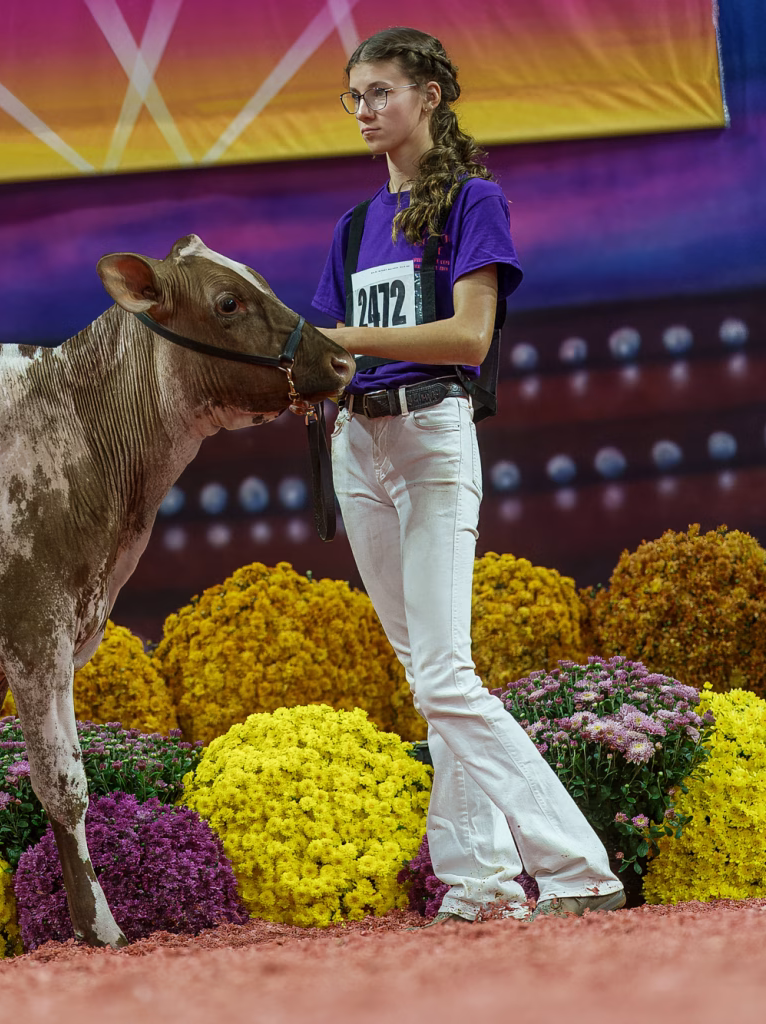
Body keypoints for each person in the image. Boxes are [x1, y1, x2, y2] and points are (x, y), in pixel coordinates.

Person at [311, 26, 625, 925]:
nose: (365, 110)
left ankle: (578, 869)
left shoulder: (472, 201)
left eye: (380, 91)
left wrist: (343, 342)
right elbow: (325, 356)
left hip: (431, 438)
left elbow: (469, 337)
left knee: (444, 676)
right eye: (355, 96)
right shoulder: (353, 226)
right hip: (357, 445)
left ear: (431, 94)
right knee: (428, 677)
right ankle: (479, 882)